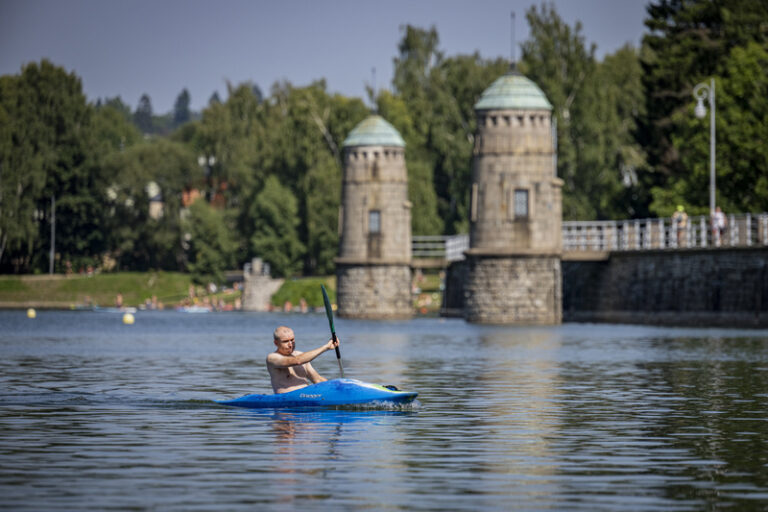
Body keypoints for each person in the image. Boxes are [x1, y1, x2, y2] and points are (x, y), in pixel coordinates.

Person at [266, 326, 339, 394]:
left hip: (308, 398)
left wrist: (337, 387)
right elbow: (297, 361)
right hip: (286, 403)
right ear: (276, 343)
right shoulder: (272, 358)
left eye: (292, 340)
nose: (290, 344)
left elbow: (318, 380)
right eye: (285, 341)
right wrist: (326, 347)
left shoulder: (301, 355)